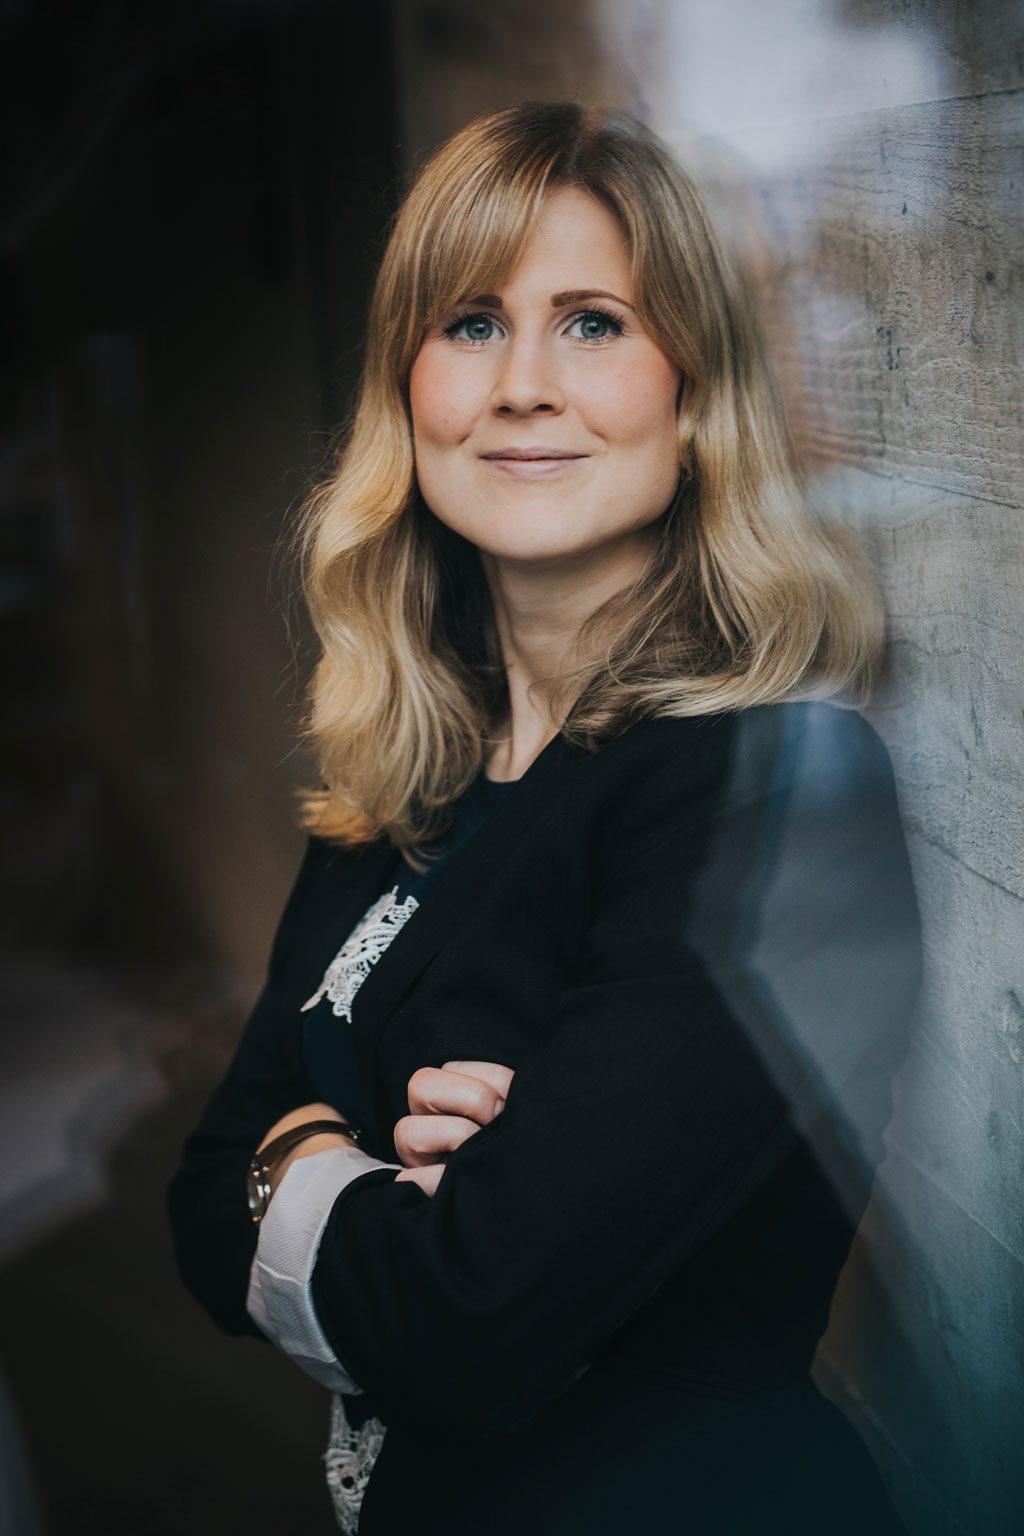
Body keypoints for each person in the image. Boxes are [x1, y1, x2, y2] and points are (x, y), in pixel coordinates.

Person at [166, 101, 921, 1534]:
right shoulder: (396, 785)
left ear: (693, 395)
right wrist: (334, 1175)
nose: (521, 384)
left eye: (590, 323)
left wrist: (306, 1163)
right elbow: (202, 1200)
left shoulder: (777, 791)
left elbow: (471, 1317)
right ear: (407, 393)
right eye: (467, 322)